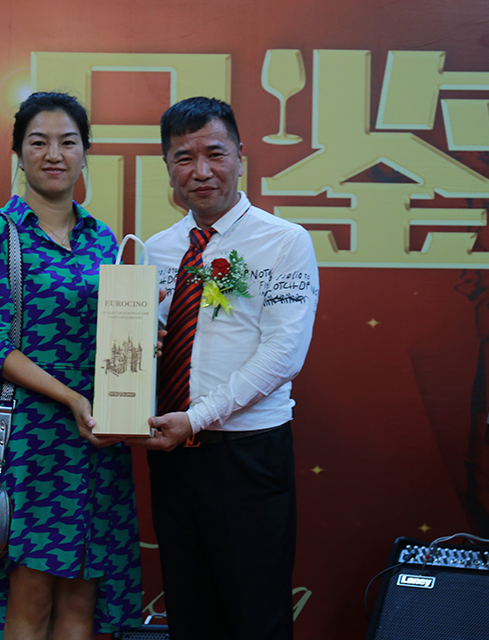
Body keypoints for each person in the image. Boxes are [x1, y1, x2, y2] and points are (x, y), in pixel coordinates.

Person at [131, 97, 319, 640]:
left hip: (247, 455)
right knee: (190, 613)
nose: (201, 171)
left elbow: (284, 354)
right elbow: (144, 346)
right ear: (168, 167)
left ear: (240, 156)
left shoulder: (284, 241)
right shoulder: (156, 250)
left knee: (255, 615)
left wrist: (196, 417)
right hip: (173, 456)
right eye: (183, 158)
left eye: (215, 153)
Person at [0, 92, 142, 640]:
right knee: (30, 600)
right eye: (39, 142)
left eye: (68, 142)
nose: (54, 154)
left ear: (86, 152)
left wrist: (139, 345)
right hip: (30, 444)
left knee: (83, 600)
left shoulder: (102, 238)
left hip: (98, 440)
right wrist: (71, 398)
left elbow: (110, 333)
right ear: (18, 154)